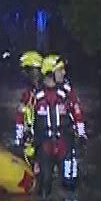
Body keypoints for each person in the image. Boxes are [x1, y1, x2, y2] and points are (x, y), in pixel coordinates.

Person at [26, 57, 86, 193]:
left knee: (70, 185)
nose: (63, 73)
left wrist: (81, 135)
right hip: (44, 145)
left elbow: (78, 115)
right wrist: (27, 141)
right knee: (44, 186)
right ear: (49, 72)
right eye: (60, 70)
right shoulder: (35, 95)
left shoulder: (67, 93)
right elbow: (27, 119)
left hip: (65, 143)